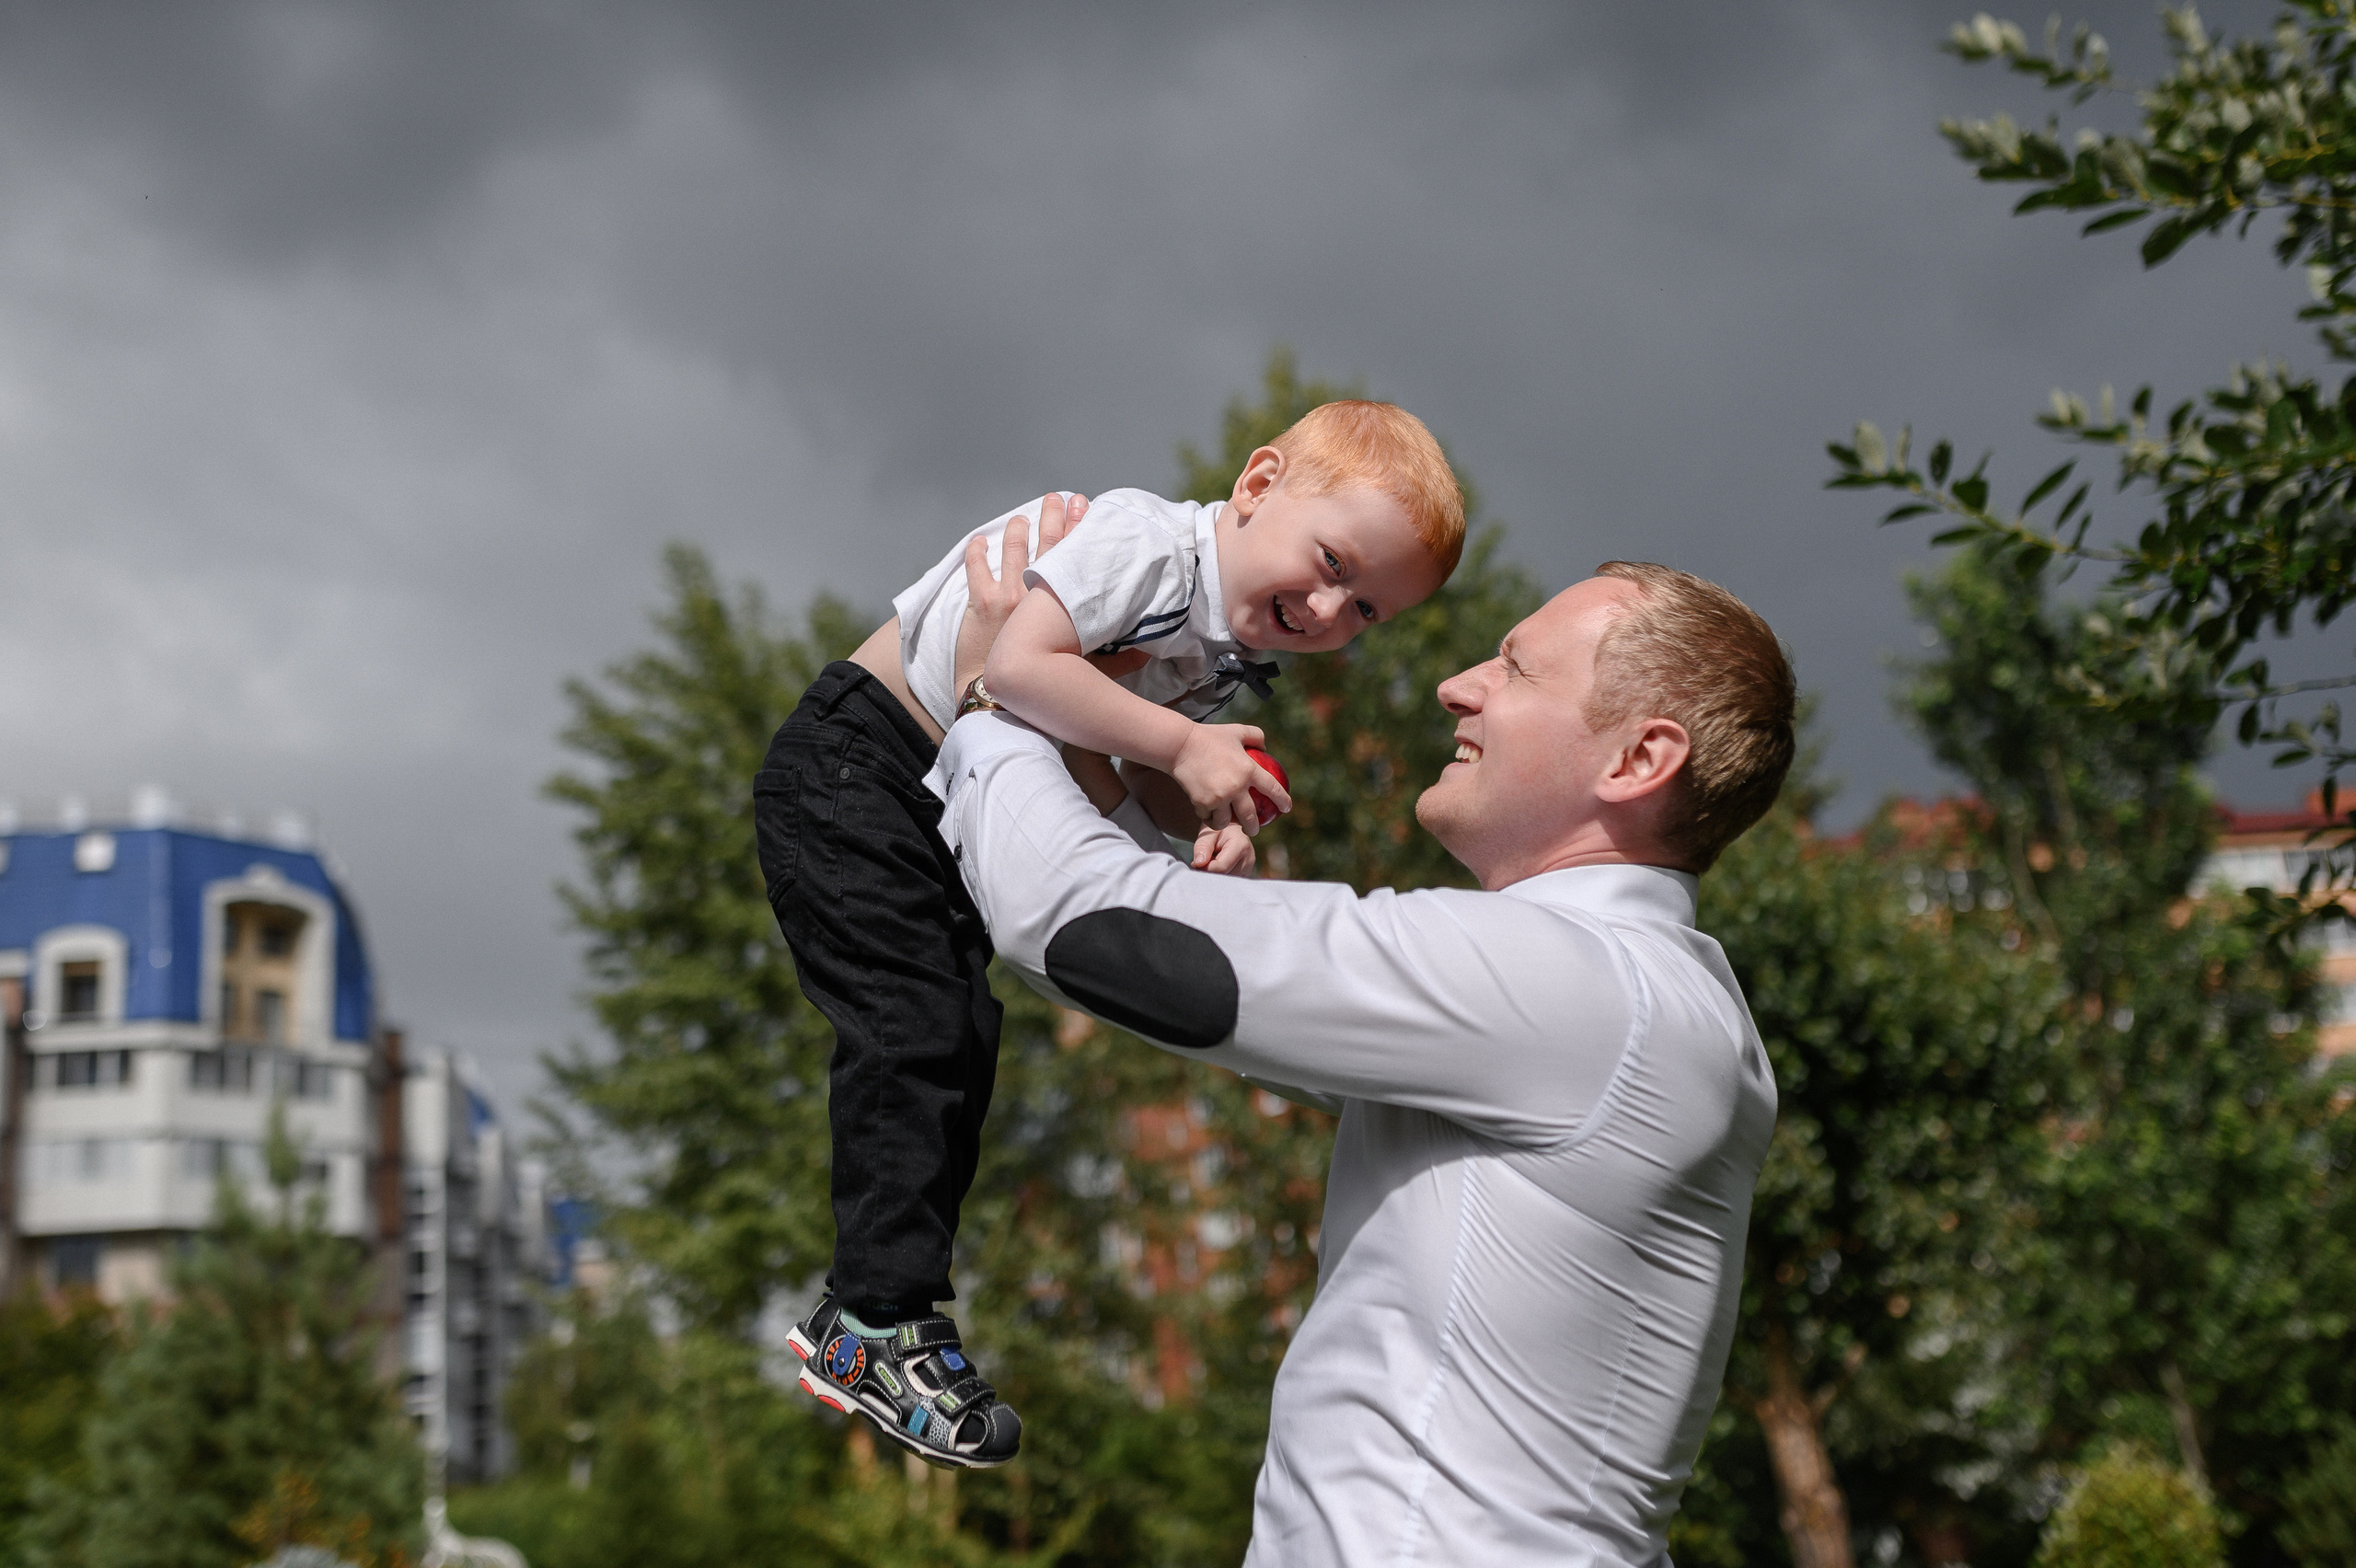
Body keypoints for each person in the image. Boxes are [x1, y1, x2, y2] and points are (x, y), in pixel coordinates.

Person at [933, 542, 1796, 1563]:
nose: (1455, 686)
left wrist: (994, 697)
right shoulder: (1647, 997)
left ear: (1637, 761)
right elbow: (1208, 989)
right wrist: (1114, 777)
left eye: (1514, 669)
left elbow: (1086, 929)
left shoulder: (1578, 984)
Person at [754, 401, 1466, 1468]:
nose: (1326, 607)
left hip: (939, 788)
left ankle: (882, 1308)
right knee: (916, 1025)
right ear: (1259, 483)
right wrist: (1185, 748)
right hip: (862, 765)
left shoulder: (1212, 643)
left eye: (1364, 609)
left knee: (956, 1037)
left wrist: (1198, 825)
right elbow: (1020, 674)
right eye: (1328, 563)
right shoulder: (1144, 545)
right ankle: (870, 1321)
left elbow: (1101, 772)